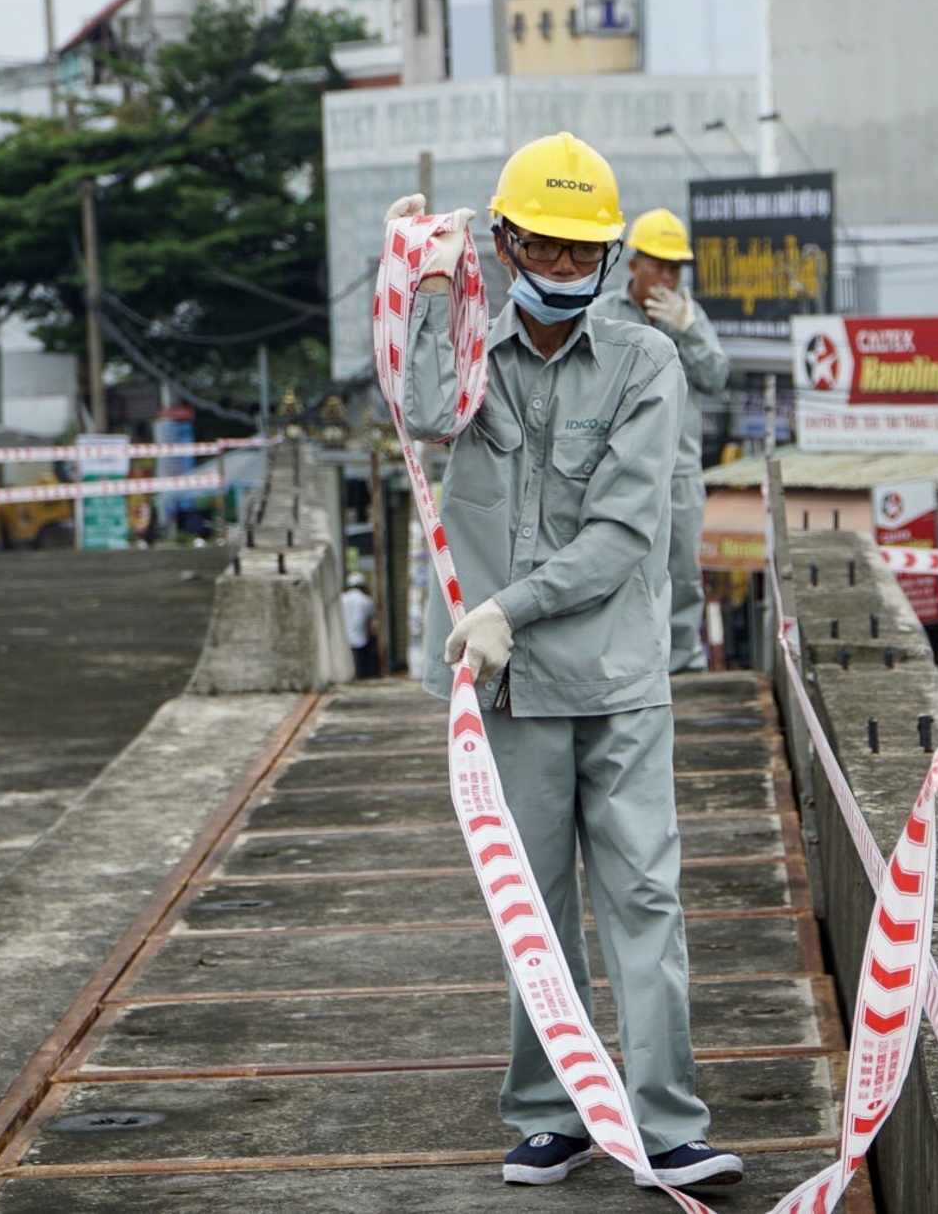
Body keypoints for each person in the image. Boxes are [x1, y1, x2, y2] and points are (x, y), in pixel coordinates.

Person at [390, 131, 742, 1192]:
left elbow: (625, 531)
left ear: (607, 256)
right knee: (532, 905)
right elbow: (418, 411)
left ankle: (667, 1120)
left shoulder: (648, 362)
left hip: (619, 680)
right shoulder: (475, 352)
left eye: (576, 253)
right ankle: (552, 1111)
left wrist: (505, 603)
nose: (557, 270)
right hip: (510, 687)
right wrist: (424, 284)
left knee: (643, 896)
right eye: (536, 250)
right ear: (504, 244)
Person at [590, 208, 728, 674]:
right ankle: (625, 662)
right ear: (634, 263)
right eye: (659, 265)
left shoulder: (690, 316)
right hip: (615, 465)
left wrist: (688, 332)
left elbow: (717, 378)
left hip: (678, 469)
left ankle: (684, 663)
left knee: (683, 571)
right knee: (615, 565)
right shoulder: (603, 313)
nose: (668, 276)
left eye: (676, 267)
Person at [341, 573, 379, 679]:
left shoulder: (342, 599)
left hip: (344, 638)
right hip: (361, 639)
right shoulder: (367, 600)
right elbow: (370, 622)